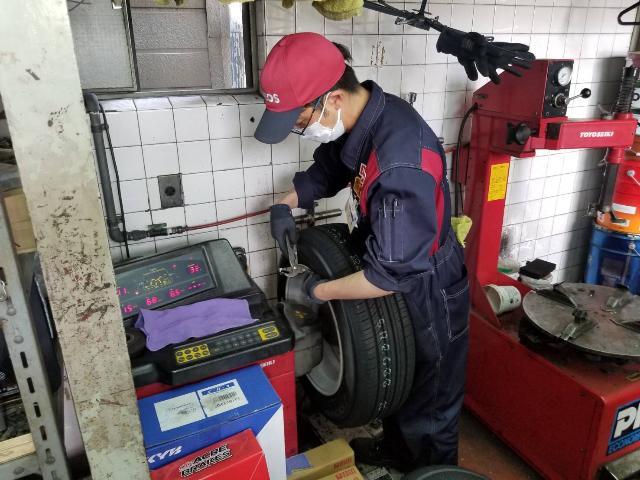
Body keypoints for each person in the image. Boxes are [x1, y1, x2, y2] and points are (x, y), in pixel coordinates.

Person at [254, 32, 470, 470]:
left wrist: (319, 292)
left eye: (299, 120)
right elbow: (333, 164)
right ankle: (395, 454)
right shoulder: (368, 118)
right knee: (399, 378)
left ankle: (429, 472)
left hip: (427, 286)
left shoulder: (399, 163)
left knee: (430, 405)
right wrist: (286, 202)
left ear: (332, 98)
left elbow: (390, 276)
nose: (299, 128)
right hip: (396, 257)